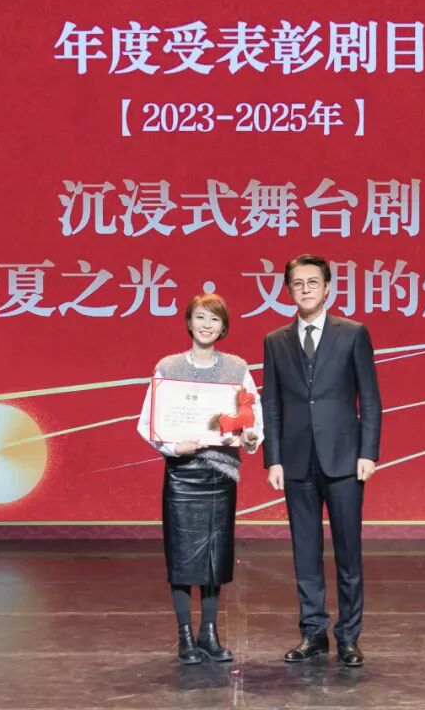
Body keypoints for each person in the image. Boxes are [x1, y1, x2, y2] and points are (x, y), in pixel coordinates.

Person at [262, 254, 382, 668]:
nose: (306, 289)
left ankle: (348, 637)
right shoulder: (276, 341)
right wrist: (273, 459)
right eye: (298, 283)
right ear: (288, 290)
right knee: (305, 552)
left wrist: (368, 452)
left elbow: (370, 398)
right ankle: (313, 633)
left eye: (313, 282)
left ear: (327, 287)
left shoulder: (352, 334)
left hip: (344, 459)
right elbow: (271, 403)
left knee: (348, 552)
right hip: (296, 461)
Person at [137, 293, 263, 665]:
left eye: (214, 319)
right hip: (182, 473)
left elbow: (253, 416)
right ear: (189, 323)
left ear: (224, 327)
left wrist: (252, 437)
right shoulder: (168, 367)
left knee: (214, 555)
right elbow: (147, 421)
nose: (207, 325)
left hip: (221, 472)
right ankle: (184, 636)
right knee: (181, 556)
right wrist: (174, 446)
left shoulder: (237, 369)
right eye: (200, 318)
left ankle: (208, 633)